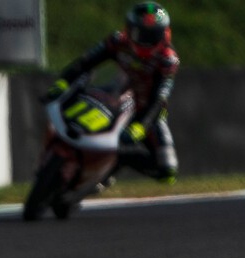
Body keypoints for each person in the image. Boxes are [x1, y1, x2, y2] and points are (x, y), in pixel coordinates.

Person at [44, 3, 179, 183]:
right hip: (113, 99)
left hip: (146, 111)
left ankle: (113, 164)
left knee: (167, 171)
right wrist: (63, 82)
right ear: (128, 29)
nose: (144, 41)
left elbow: (159, 98)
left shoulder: (168, 59)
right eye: (139, 34)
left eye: (151, 35)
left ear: (165, 34)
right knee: (68, 116)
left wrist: (141, 126)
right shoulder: (118, 41)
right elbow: (86, 61)